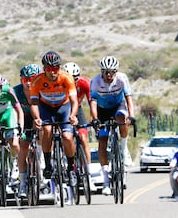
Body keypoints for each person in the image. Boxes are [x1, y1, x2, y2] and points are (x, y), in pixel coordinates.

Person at [30, 51, 79, 187]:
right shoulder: (37, 81)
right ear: (44, 69)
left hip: (63, 107)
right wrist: (37, 118)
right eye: (49, 69)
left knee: (68, 137)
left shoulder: (67, 78)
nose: (52, 72)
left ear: (60, 68)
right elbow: (34, 103)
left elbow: (74, 101)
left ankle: (71, 168)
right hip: (45, 108)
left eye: (55, 68)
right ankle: (48, 164)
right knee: (46, 130)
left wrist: (73, 115)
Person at [89, 56, 136, 196]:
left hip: (118, 107)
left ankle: (123, 147)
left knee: (122, 118)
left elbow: (128, 98)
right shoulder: (96, 81)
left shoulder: (122, 78)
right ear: (101, 72)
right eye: (106, 72)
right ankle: (106, 182)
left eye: (112, 72)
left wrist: (131, 116)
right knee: (102, 142)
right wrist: (95, 118)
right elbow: (93, 102)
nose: (109, 75)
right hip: (102, 111)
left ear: (116, 71)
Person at [62, 62, 97, 192]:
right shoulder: (60, 83)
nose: (73, 81)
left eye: (75, 78)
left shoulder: (84, 83)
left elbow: (91, 101)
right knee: (65, 137)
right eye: (70, 78)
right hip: (64, 109)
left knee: (83, 138)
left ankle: (88, 175)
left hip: (78, 109)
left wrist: (94, 118)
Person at [0, 72, 24, 192]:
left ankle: (14, 164)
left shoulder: (8, 91)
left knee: (14, 144)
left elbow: (19, 111)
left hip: (7, 116)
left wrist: (20, 127)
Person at [13, 63, 43, 198]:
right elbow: (13, 111)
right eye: (26, 80)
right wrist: (17, 128)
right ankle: (23, 182)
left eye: (33, 78)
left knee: (45, 133)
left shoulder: (43, 88)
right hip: (23, 118)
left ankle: (42, 157)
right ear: (21, 80)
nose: (29, 83)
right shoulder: (16, 91)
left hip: (40, 116)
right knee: (23, 146)